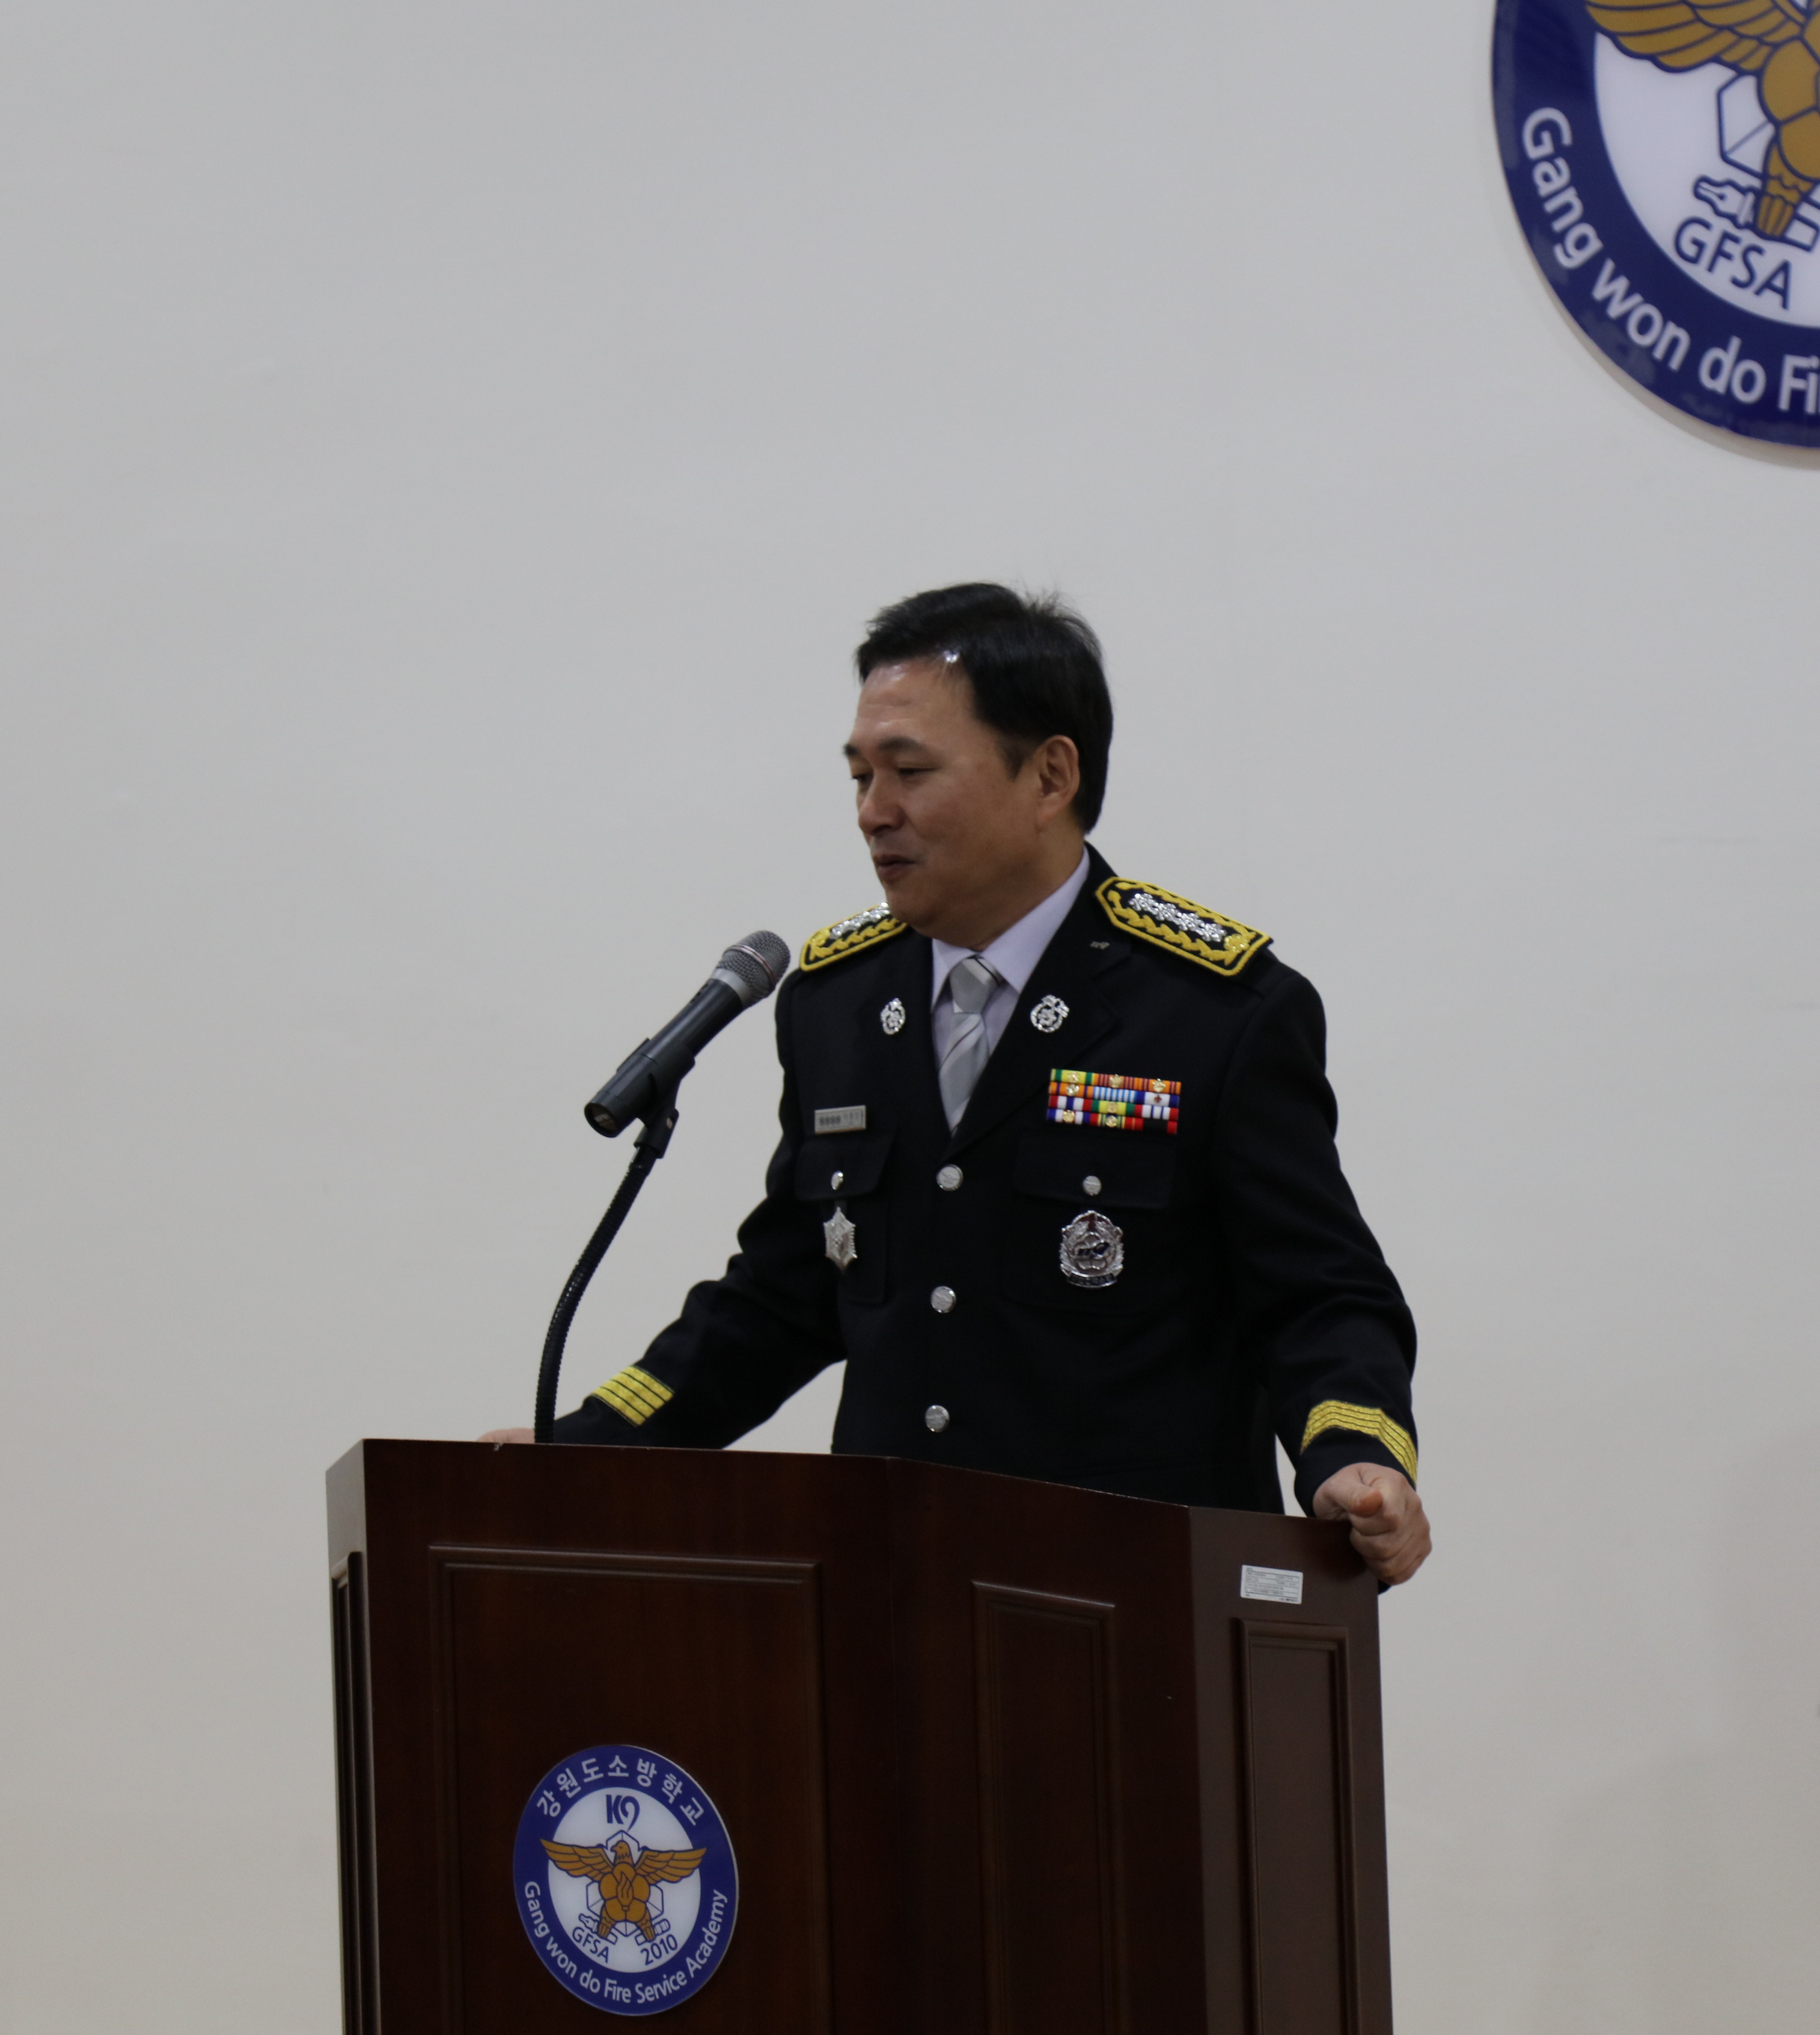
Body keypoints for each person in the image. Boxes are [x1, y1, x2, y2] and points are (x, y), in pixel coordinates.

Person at [486, 584, 1429, 1584]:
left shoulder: (1212, 1011)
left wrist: (1354, 1454)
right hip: (895, 1584)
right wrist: (590, 1448)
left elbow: (1319, 1292)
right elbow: (785, 1295)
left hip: (1134, 1594)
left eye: (910, 772)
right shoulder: (837, 1003)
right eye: (860, 776)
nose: (873, 813)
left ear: (1050, 776)